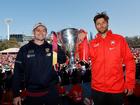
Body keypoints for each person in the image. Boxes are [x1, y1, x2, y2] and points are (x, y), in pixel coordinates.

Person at [78, 12, 136, 105]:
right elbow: (83, 59)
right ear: (95, 26)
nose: (101, 25)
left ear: (107, 23)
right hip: (97, 89)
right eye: (98, 24)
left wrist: (130, 83)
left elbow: (130, 61)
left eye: (103, 22)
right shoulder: (92, 43)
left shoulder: (119, 39)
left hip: (116, 89)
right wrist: (81, 43)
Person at [12, 22, 66, 105]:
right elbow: (17, 72)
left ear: (46, 33)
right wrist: (16, 94)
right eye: (38, 30)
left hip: (51, 92)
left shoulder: (52, 48)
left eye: (44, 30)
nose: (41, 32)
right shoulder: (24, 49)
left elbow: (62, 60)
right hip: (32, 93)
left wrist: (56, 45)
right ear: (33, 32)